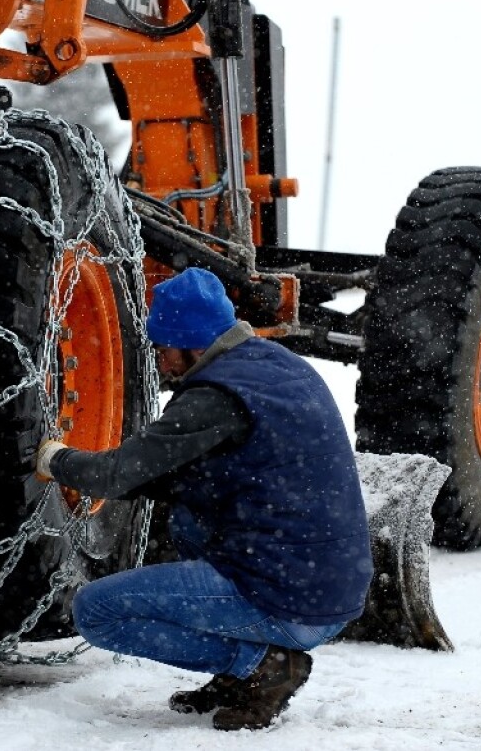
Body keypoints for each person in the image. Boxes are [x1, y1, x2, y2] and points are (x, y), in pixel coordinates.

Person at [35, 267, 372, 731]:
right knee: (189, 519)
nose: (159, 358)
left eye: (163, 347)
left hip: (292, 602)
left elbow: (115, 475)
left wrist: (56, 460)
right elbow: (180, 481)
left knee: (96, 611)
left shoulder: (214, 397)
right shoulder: (273, 364)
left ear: (192, 344)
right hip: (331, 588)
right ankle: (240, 672)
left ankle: (259, 665)